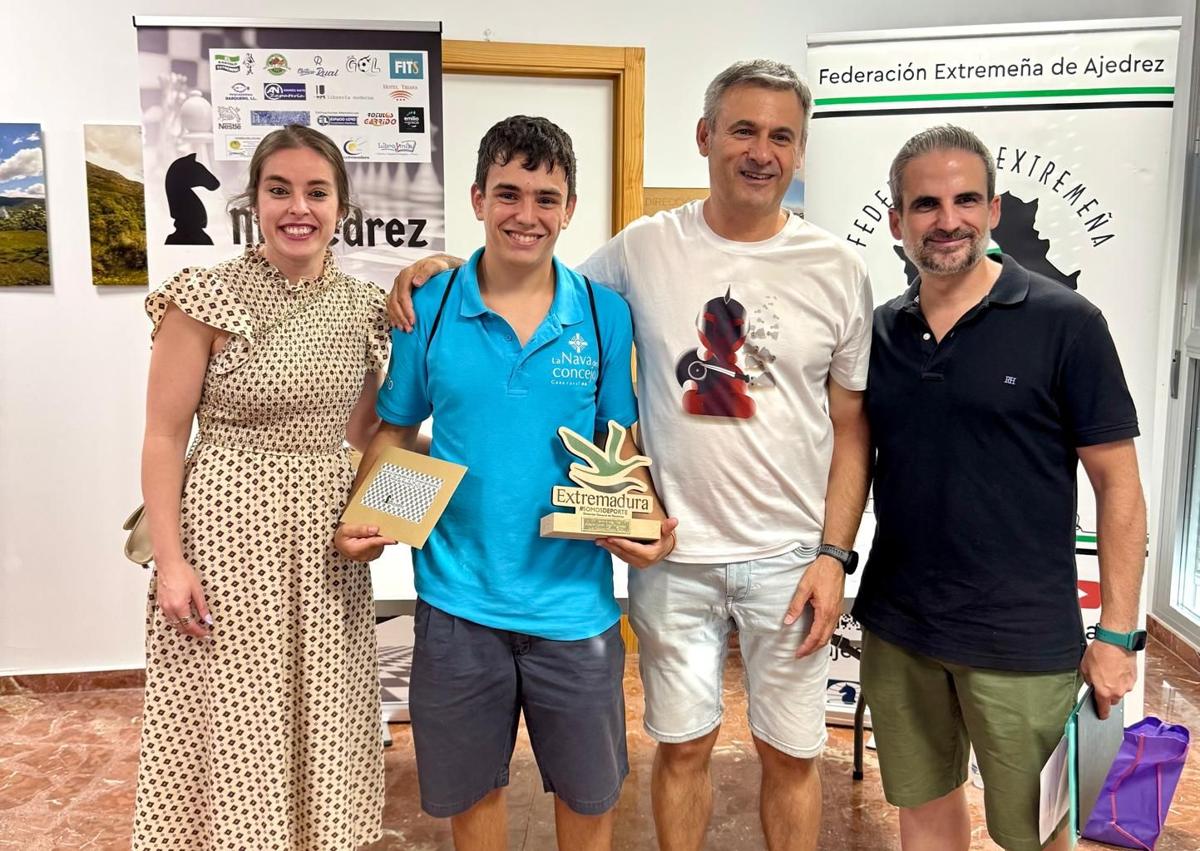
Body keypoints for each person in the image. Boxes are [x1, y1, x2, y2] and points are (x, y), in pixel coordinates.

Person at [387, 61, 873, 851]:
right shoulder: (644, 250)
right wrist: (442, 270)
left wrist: (832, 554)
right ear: (705, 137)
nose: (761, 151)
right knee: (679, 748)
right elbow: (530, 275)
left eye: (782, 134)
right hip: (669, 558)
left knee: (792, 752)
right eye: (743, 129)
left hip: (789, 557)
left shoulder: (837, 268)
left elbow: (853, 426)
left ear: (801, 149)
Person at [336, 115, 676, 851]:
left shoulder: (601, 312)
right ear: (478, 197)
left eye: (546, 198)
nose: (527, 215)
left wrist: (644, 524)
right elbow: (397, 427)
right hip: (458, 602)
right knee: (473, 796)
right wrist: (369, 518)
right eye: (510, 194)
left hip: (574, 609)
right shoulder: (428, 306)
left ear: (571, 208)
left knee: (590, 798)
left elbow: (619, 443)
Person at [856, 124, 1147, 851]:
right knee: (923, 808)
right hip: (902, 627)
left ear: (992, 210)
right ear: (896, 221)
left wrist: (1116, 634)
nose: (946, 220)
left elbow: (1120, 487)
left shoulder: (1066, 323)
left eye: (965, 200)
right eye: (925, 204)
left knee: (1037, 830)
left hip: (1021, 637)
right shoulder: (881, 332)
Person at [133, 125, 388, 850]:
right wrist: (171, 564)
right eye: (280, 190)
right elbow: (162, 435)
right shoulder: (206, 297)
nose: (297, 208)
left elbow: (372, 434)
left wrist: (405, 505)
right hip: (225, 531)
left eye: (316, 191)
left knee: (324, 705)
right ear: (254, 202)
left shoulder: (364, 308)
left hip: (325, 542)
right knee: (235, 710)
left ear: (343, 205)